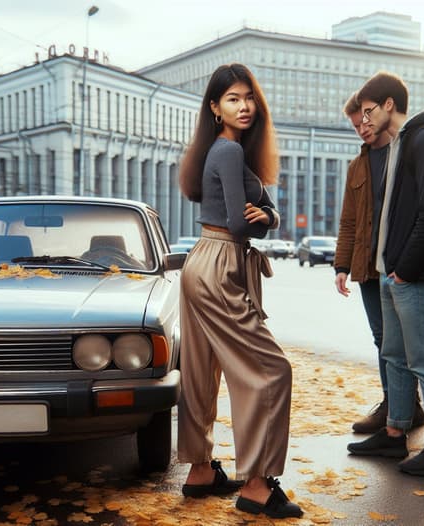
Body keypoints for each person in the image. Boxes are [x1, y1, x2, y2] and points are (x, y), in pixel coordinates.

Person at [177, 63, 302, 519]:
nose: (244, 106)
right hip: (222, 261)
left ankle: (201, 471)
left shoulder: (226, 152)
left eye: (249, 97)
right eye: (232, 98)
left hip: (202, 261)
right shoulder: (228, 153)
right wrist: (266, 214)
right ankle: (257, 485)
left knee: (201, 367)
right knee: (272, 370)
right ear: (214, 107)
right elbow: (240, 222)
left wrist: (266, 215)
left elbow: (266, 216)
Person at [347, 72, 424, 476]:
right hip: (388, 272)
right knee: (393, 356)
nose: (364, 120)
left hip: (409, 274)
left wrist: (404, 270)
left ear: (388, 106)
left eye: (367, 111)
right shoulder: (397, 145)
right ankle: (395, 435)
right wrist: (385, 268)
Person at [334, 93, 424, 434]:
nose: (362, 129)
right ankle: (394, 403)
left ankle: (408, 406)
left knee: (404, 340)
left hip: (398, 264)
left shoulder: (402, 154)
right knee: (381, 338)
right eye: (355, 126)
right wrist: (341, 266)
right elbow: (348, 221)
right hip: (366, 267)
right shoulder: (357, 165)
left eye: (364, 121)